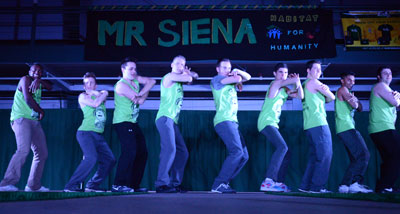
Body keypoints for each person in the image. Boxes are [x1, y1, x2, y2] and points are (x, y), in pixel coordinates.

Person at [0, 63, 52, 192]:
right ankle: (6, 183)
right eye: (34, 70)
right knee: (23, 150)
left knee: (42, 153)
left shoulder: (38, 82)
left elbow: (51, 86)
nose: (36, 72)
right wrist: (41, 111)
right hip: (21, 119)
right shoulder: (25, 79)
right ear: (29, 71)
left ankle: (33, 185)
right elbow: (28, 99)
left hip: (34, 121)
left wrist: (39, 80)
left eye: (40, 71)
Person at [64, 72, 116, 192]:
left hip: (98, 135)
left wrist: (103, 93)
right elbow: (96, 103)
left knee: (110, 160)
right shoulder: (82, 96)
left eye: (91, 82)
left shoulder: (101, 94)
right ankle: (71, 186)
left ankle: (92, 185)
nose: (88, 85)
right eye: (86, 83)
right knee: (91, 158)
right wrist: (104, 93)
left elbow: (103, 96)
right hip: (85, 133)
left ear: (95, 85)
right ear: (83, 86)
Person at [154, 55, 198, 193]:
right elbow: (190, 78)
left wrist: (189, 73)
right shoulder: (169, 77)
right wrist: (188, 74)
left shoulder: (179, 81)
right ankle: (161, 183)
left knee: (182, 152)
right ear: (171, 65)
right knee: (169, 149)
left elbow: (194, 76)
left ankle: (174, 183)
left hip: (172, 121)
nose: (180, 67)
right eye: (178, 64)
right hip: (164, 118)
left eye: (183, 65)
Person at [112, 57, 156, 192]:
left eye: (135, 68)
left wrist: (143, 92)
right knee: (129, 152)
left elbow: (152, 81)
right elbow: (139, 101)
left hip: (133, 122)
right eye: (130, 68)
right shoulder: (121, 85)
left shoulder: (136, 79)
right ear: (123, 69)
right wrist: (145, 90)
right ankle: (118, 184)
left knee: (142, 153)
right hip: (122, 122)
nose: (133, 71)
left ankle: (133, 185)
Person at [258, 63, 303, 192]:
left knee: (286, 153)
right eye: (280, 72)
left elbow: (300, 96)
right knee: (282, 147)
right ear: (274, 74)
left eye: (285, 73)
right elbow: (293, 80)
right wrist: (296, 80)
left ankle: (278, 182)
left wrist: (298, 84)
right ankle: (268, 181)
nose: (283, 75)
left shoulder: (284, 89)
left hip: (273, 123)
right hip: (266, 122)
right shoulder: (275, 84)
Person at [210, 58, 251, 193]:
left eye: (229, 68)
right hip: (223, 120)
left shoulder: (231, 81)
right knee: (237, 151)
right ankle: (218, 184)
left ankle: (224, 182)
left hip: (233, 122)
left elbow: (247, 77)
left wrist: (237, 71)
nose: (227, 70)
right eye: (224, 68)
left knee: (244, 155)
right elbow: (240, 79)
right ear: (218, 69)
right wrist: (235, 75)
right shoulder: (216, 80)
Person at [299, 60, 335, 193]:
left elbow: (329, 98)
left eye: (320, 70)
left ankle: (305, 186)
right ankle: (317, 187)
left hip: (309, 125)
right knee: (325, 155)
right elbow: (332, 97)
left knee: (315, 157)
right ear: (308, 70)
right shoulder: (314, 82)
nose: (319, 72)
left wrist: (326, 93)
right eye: (316, 69)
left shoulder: (304, 84)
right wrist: (326, 90)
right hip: (319, 124)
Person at [335, 71, 372, 193]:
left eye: (354, 80)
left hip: (347, 128)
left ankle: (344, 186)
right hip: (346, 128)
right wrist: (354, 101)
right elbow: (355, 105)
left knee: (356, 159)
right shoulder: (342, 90)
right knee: (364, 154)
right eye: (349, 80)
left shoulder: (349, 93)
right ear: (342, 80)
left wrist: (355, 100)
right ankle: (355, 183)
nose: (352, 82)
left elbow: (360, 108)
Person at [368, 66, 400, 193]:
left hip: (383, 128)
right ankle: (386, 186)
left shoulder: (389, 90)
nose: (389, 75)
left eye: (390, 73)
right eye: (385, 73)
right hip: (382, 128)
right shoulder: (381, 86)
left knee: (389, 158)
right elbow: (396, 103)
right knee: (396, 156)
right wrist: (398, 96)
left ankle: (383, 187)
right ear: (379, 76)